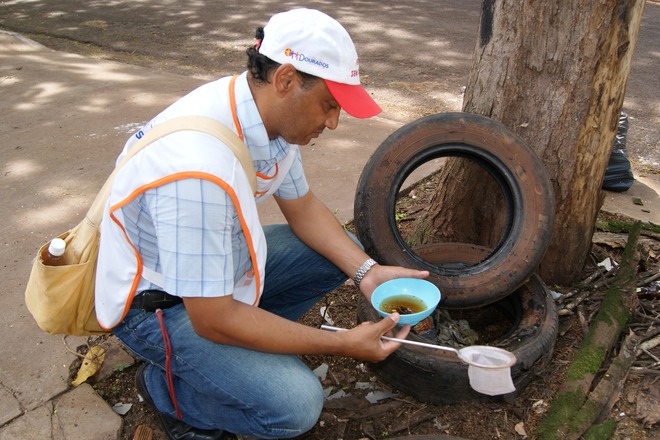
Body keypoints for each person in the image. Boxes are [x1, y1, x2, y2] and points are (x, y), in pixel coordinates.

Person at [95, 8, 428, 440]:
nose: (333, 122)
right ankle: (167, 390)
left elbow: (303, 206)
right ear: (286, 80)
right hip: (160, 305)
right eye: (329, 105)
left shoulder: (260, 115)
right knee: (295, 405)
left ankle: (238, 357)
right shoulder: (197, 170)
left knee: (337, 252)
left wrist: (368, 274)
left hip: (217, 274)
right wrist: (341, 343)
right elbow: (212, 318)